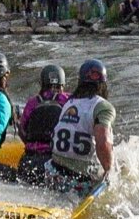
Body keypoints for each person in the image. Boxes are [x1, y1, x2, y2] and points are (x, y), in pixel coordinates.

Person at [48, 58, 115, 192]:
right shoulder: (103, 107)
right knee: (122, 169)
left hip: (53, 173)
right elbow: (103, 143)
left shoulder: (70, 102)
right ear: (103, 84)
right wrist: (109, 171)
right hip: (80, 181)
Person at [17, 65, 69, 184]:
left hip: (28, 161)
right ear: (62, 83)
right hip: (53, 164)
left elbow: (22, 130)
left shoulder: (32, 102)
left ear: (42, 83)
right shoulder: (68, 100)